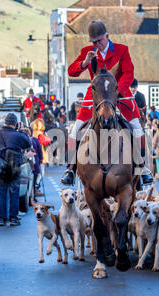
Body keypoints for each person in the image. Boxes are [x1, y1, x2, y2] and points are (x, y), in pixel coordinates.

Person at [60, 19, 152, 185]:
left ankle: (142, 168)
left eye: (99, 41)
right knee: (75, 131)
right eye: (93, 42)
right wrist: (85, 62)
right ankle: (70, 170)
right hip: (95, 97)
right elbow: (71, 71)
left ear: (107, 36)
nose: (97, 45)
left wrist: (115, 91)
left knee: (137, 129)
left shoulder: (122, 50)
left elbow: (129, 74)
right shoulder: (87, 51)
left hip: (119, 95)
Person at [0, 113, 31, 226]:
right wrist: (22, 130)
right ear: (15, 124)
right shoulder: (17, 135)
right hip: (14, 165)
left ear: (5, 122)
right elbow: (28, 143)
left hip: (0, 166)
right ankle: (13, 218)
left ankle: (1, 219)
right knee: (14, 192)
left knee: (1, 192)